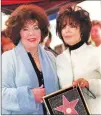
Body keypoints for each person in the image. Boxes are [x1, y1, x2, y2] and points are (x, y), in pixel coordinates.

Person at [2, 4, 59, 115]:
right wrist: (30, 95)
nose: (31, 33)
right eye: (25, 29)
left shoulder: (51, 57)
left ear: (42, 31)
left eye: (36, 28)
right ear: (18, 32)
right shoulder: (7, 59)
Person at [56, 5, 101, 114]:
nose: (66, 30)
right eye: (63, 26)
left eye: (72, 26)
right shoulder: (59, 60)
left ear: (82, 29)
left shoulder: (96, 53)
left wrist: (89, 83)